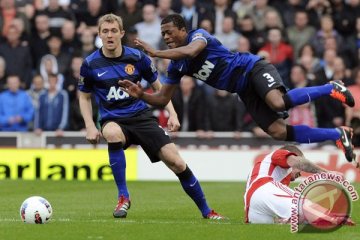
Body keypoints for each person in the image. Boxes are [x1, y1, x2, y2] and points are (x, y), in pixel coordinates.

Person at [119, 13, 356, 163]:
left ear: (183, 29)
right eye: (162, 35)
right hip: (243, 89)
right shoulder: (177, 66)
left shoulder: (198, 36)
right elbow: (162, 100)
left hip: (251, 68)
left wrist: (156, 52)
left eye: (169, 33)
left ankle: (330, 87)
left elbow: (191, 51)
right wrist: (142, 95)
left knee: (277, 101)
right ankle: (338, 134)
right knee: (277, 132)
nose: (166, 37)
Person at [78, 13, 224, 220]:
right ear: (100, 34)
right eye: (105, 31)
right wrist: (90, 126)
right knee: (111, 133)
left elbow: (160, 88)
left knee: (177, 163)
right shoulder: (90, 63)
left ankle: (207, 211)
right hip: (114, 119)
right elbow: (84, 97)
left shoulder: (137, 58)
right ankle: (123, 196)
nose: (109, 35)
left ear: (121, 33)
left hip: (142, 117)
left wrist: (172, 113)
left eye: (113, 31)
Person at [244, 144, 357, 224]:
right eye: (299, 169)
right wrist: (327, 173)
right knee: (303, 203)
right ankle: (332, 218)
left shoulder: (271, 174)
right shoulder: (277, 154)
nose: (300, 174)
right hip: (263, 187)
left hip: (252, 207)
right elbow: (298, 162)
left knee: (277, 226)